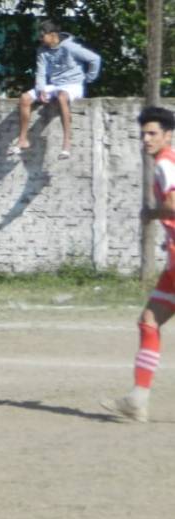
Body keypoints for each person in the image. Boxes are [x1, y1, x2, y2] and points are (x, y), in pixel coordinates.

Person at [102, 107, 175, 424]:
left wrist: (151, 213)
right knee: (148, 321)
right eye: (143, 133)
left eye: (152, 133)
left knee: (149, 322)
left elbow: (173, 204)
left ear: (167, 135)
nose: (145, 139)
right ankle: (137, 400)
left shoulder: (165, 164)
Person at [8, 20, 101, 159]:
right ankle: (23, 139)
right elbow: (40, 72)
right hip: (55, 84)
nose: (40, 39)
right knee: (25, 98)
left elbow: (95, 59)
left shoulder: (70, 47)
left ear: (52, 35)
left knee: (62, 97)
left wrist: (88, 78)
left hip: (73, 85)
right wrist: (41, 89)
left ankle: (66, 144)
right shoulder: (42, 50)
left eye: (42, 36)